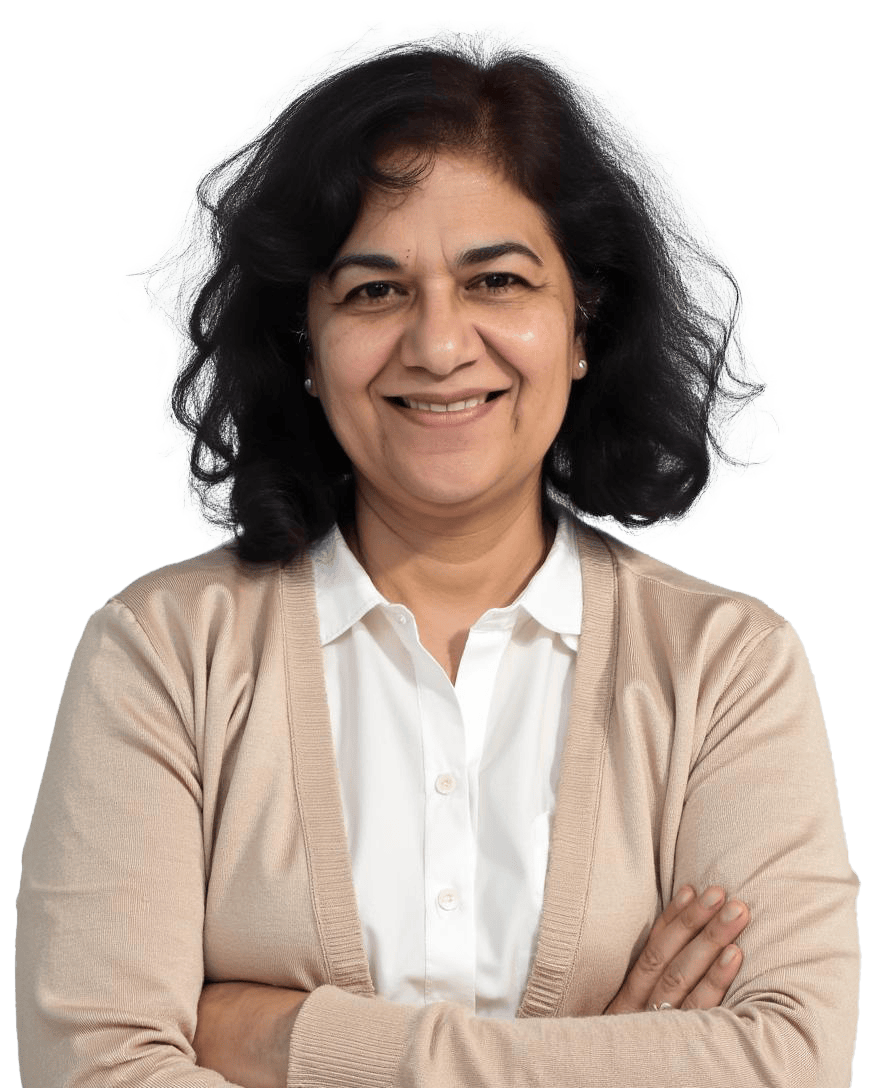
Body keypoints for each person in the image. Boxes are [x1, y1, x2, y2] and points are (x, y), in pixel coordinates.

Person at [15, 22, 859, 1088]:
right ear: (305, 346)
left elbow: (787, 1062)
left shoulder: (728, 668)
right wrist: (606, 1058)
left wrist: (287, 1041)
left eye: (497, 280)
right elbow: (91, 1069)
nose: (440, 343)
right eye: (374, 290)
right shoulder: (161, 654)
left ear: (582, 322)